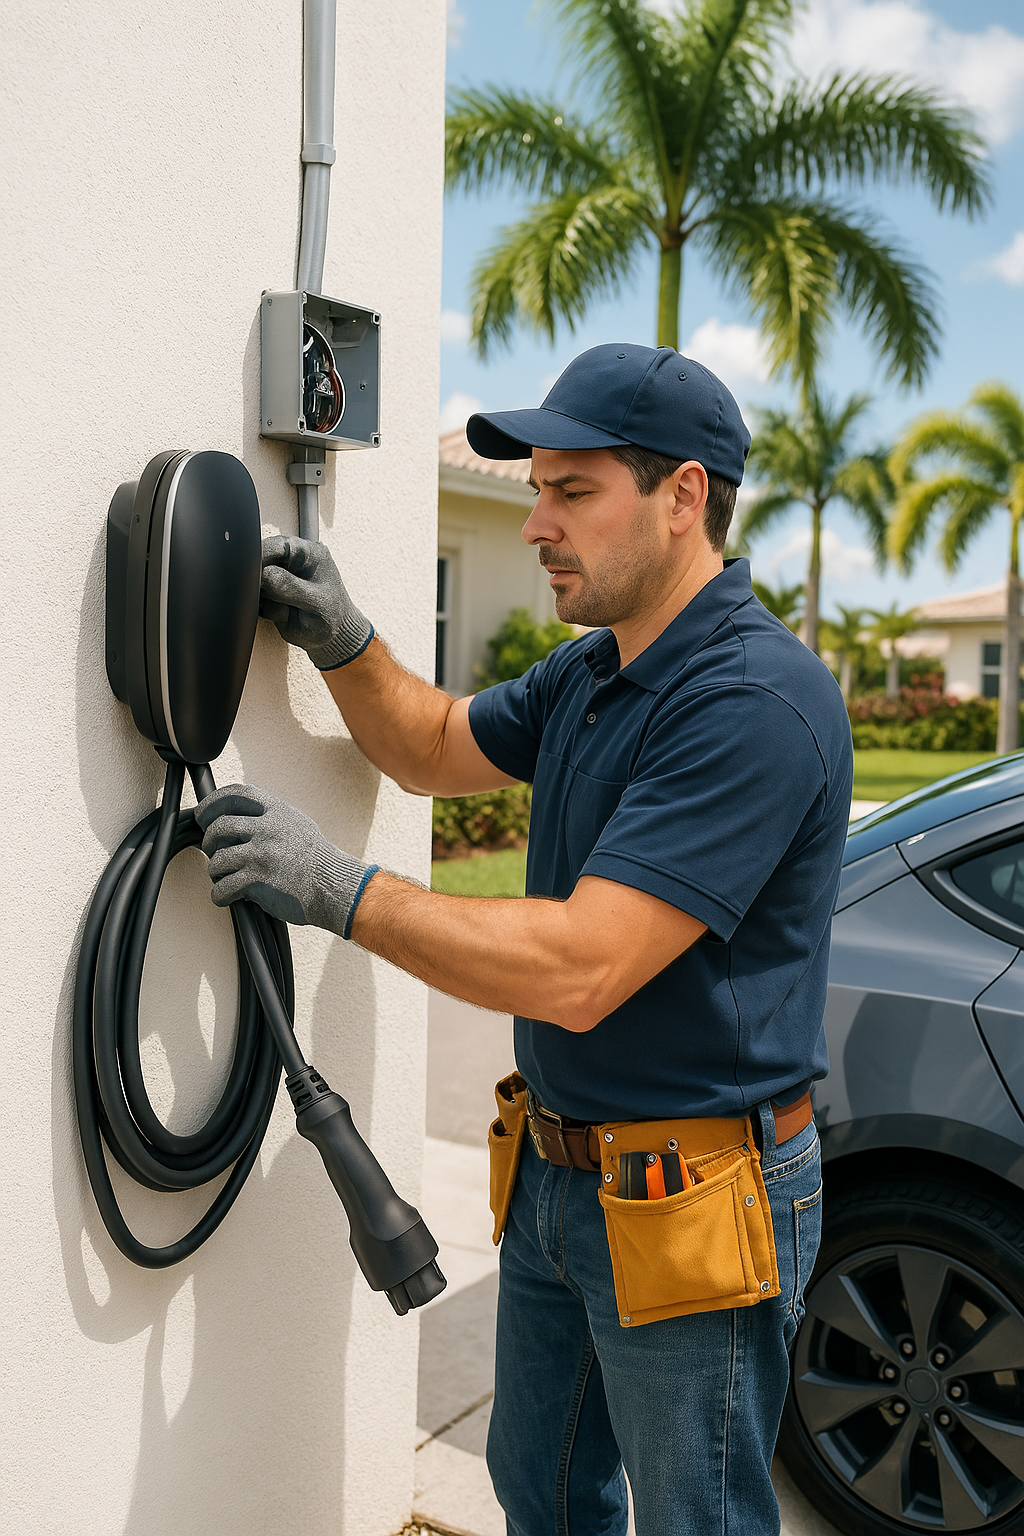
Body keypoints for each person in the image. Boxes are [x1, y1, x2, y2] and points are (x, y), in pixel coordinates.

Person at [196, 342, 853, 1536]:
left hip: (692, 1187)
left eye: (572, 492)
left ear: (683, 497)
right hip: (557, 1172)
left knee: (696, 1518)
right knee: (541, 1495)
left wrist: (337, 887)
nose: (536, 523)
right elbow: (432, 744)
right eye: (538, 488)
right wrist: (346, 642)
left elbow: (583, 967)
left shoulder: (754, 699)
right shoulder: (593, 671)